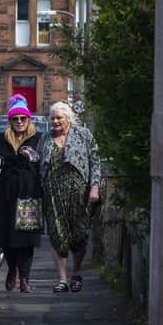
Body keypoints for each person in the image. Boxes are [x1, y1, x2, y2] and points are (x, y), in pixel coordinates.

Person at [38, 101, 101, 293]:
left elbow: (95, 161)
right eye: (53, 118)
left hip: (79, 192)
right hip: (52, 192)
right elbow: (39, 163)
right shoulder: (46, 138)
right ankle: (63, 279)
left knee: (80, 234)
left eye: (59, 117)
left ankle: (77, 272)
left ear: (68, 118)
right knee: (57, 234)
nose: (55, 121)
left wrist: (94, 187)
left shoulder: (83, 134)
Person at [0, 94, 43, 293]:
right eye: (15, 119)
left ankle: (24, 279)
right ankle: (12, 268)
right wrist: (16, 158)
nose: (19, 122)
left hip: (29, 194)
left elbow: (40, 163)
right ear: (10, 120)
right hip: (7, 193)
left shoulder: (37, 138)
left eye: (23, 118)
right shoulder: (0, 140)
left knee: (26, 237)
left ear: (28, 119)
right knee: (8, 238)